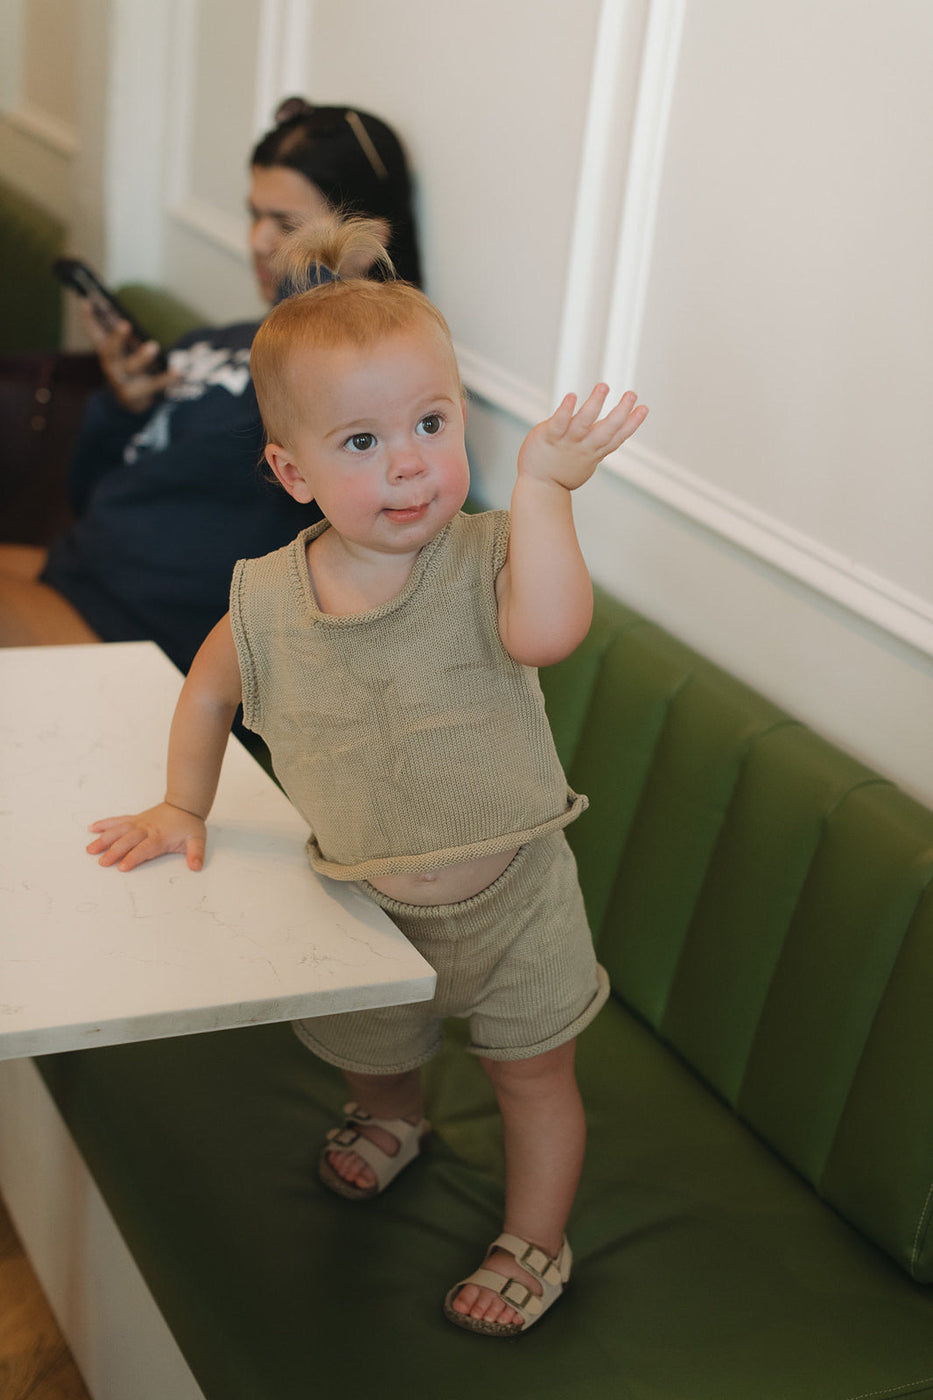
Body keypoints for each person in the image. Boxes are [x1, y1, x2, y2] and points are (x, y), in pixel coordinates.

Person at [85, 215, 648, 1337]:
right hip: (365, 899)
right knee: (374, 1057)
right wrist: (181, 801)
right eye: (360, 442)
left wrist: (546, 490)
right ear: (291, 471)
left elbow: (549, 629)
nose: (407, 461)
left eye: (431, 423)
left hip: (517, 896)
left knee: (534, 1079)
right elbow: (205, 692)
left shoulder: (490, 556)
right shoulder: (266, 599)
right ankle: (393, 1121)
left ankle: (536, 1233)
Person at [0, 99, 421, 673]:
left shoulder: (358, 384)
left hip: (136, 634)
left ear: (367, 244)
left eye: (287, 226)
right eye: (255, 215)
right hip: (77, 568)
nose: (257, 241)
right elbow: (88, 488)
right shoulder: (231, 337)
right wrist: (126, 407)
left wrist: (333, 296)